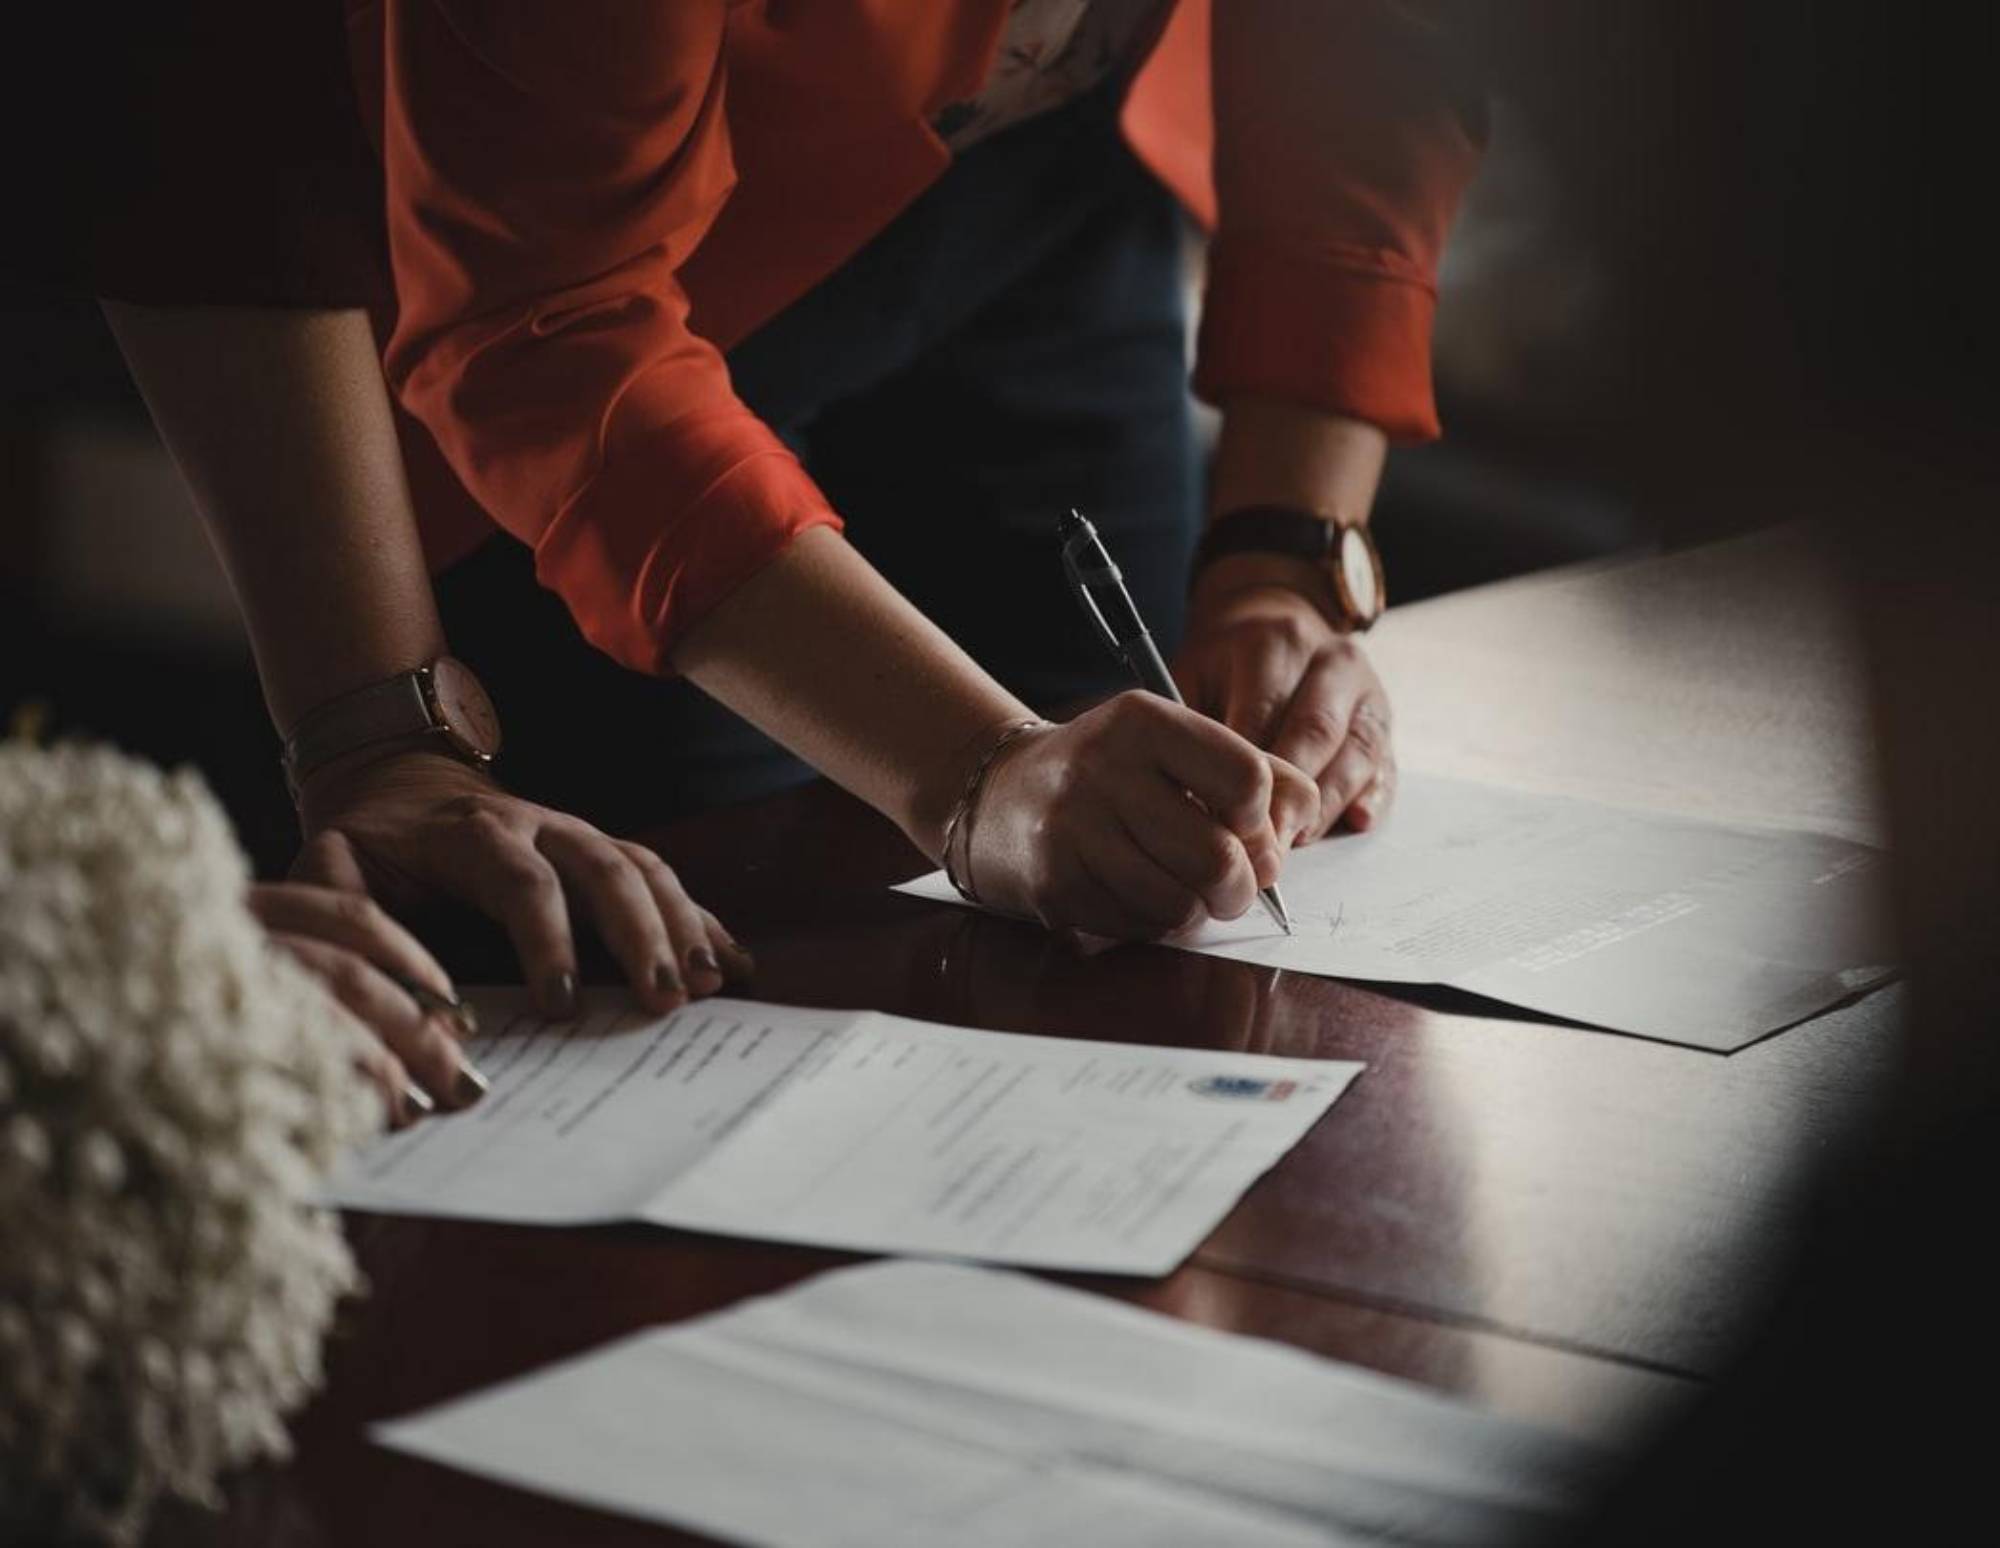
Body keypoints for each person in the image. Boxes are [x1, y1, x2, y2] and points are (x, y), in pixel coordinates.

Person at [328, 0, 1482, 942]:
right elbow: (550, 327)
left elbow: (1380, 48)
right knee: (716, 942)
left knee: (1139, 872)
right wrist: (973, 770)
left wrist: (1279, 559)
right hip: (620, 293)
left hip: (1057, 162)